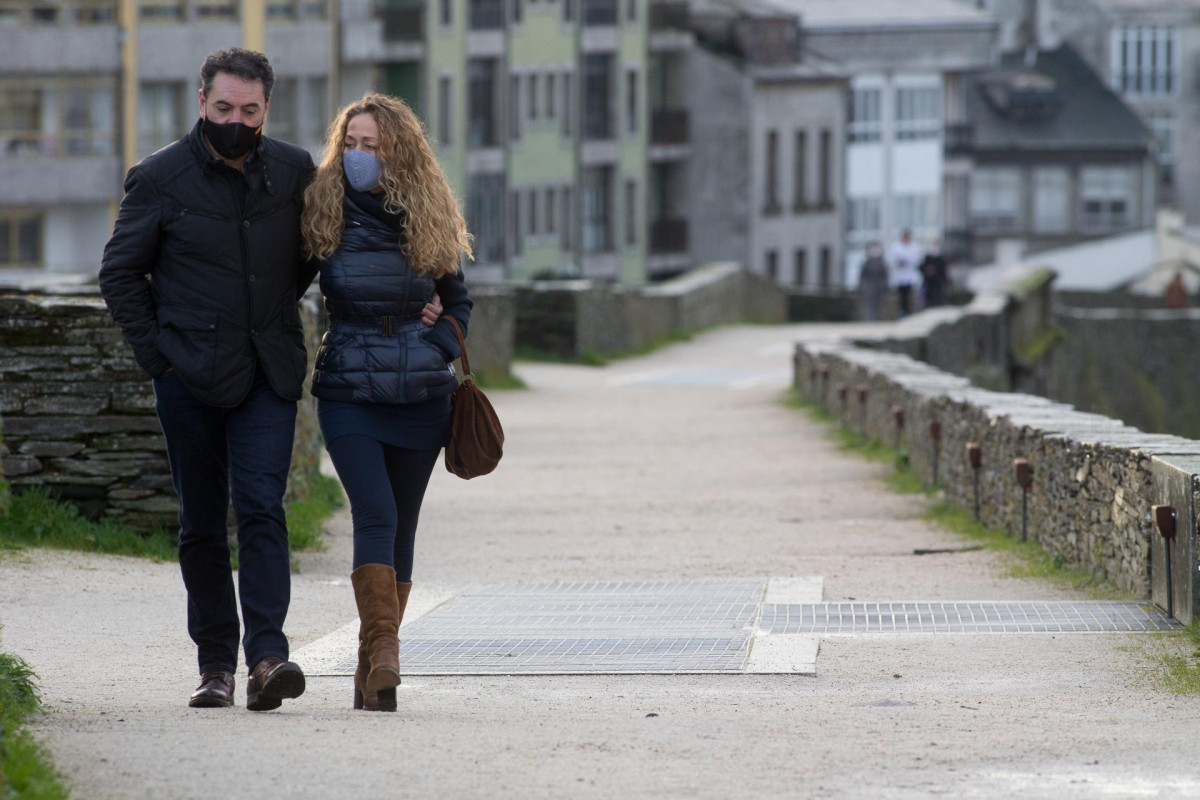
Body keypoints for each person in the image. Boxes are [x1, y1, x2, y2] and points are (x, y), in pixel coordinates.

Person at [99, 49, 319, 710]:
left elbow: (311, 257)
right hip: (188, 376)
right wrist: (158, 355)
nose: (235, 120)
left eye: (249, 111)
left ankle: (269, 658)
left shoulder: (295, 171)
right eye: (224, 108)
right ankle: (216, 664)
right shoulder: (160, 178)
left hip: (266, 373)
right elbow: (119, 274)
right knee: (201, 523)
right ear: (201, 103)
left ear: (266, 110)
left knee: (261, 508)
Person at [300, 93, 474, 712]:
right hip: (349, 390)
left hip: (422, 395)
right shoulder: (322, 207)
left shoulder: (427, 212)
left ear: (397, 150)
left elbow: (459, 304)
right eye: (350, 144)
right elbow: (275, 283)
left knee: (403, 524)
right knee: (374, 513)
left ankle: (371, 670)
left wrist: (438, 341)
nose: (358, 156)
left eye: (371, 146)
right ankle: (386, 654)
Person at [887, 229, 923, 318]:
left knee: (910, 296)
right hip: (899, 276)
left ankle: (910, 313)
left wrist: (908, 262)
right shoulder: (895, 247)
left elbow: (918, 260)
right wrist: (898, 262)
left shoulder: (915, 247)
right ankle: (902, 312)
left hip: (910, 277)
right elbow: (890, 260)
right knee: (901, 297)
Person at [857, 242, 889, 322]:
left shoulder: (882, 262)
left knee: (879, 306)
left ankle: (877, 321)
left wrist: (885, 287)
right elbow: (862, 276)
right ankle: (868, 321)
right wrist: (861, 287)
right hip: (869, 287)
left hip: (880, 287)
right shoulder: (867, 262)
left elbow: (885, 276)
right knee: (869, 306)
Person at [919, 240, 950, 308]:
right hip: (929, 282)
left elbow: (944, 271)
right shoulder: (927, 258)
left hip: (938, 283)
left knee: (938, 299)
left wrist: (947, 283)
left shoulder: (941, 259)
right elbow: (921, 267)